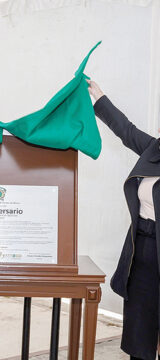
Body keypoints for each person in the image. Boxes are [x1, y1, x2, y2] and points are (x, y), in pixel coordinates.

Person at [88, 79, 160, 360]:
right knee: (139, 334)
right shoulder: (154, 150)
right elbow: (126, 131)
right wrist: (100, 98)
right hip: (141, 249)